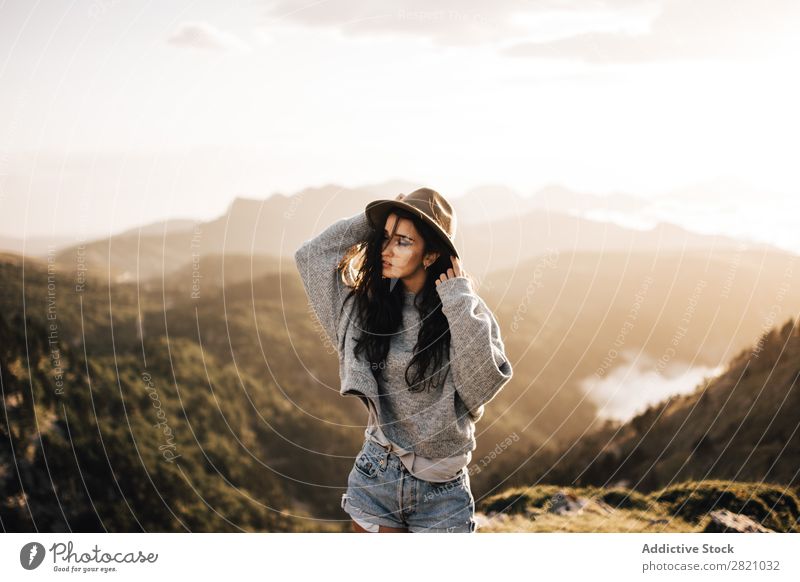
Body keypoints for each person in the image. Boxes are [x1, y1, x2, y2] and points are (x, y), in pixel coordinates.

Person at [294, 187, 513, 532]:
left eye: (403, 241)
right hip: (376, 476)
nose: (386, 250)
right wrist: (373, 220)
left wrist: (457, 299)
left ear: (430, 256)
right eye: (385, 238)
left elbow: (482, 385)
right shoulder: (364, 310)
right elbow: (311, 256)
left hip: (443, 491)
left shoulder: (464, 310)